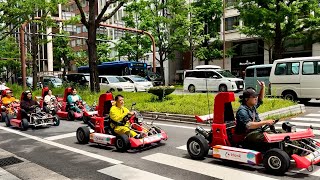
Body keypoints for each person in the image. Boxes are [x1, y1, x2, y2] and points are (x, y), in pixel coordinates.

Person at [236, 80, 299, 154]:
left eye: (256, 96)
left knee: (283, 132)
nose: (256, 98)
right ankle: (288, 151)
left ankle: (297, 147)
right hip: (248, 135)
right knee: (273, 137)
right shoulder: (242, 111)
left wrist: (263, 87)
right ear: (246, 99)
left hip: (258, 131)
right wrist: (266, 122)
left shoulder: (252, 106)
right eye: (254, 97)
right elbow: (249, 125)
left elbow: (260, 99)